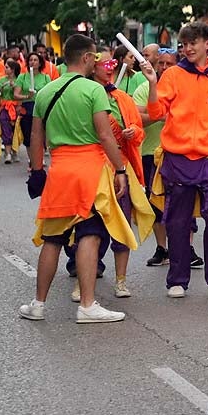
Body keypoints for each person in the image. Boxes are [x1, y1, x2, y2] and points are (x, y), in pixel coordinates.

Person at [18, 34, 133, 324]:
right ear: (85, 58)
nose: (97, 62)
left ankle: (38, 304)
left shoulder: (45, 92)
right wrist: (120, 170)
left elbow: (35, 137)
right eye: (95, 57)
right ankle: (87, 304)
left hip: (59, 169)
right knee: (90, 234)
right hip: (90, 169)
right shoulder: (94, 91)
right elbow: (105, 134)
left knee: (53, 238)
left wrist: (37, 171)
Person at [145, 22, 208, 297]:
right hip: (177, 157)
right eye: (184, 43)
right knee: (177, 220)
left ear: (207, 45)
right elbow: (156, 110)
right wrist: (153, 83)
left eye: (193, 43)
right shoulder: (173, 75)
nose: (188, 48)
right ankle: (177, 278)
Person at [92, 52, 158, 299]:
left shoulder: (122, 98)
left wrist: (133, 132)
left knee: (123, 220)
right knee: (92, 225)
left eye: (112, 64)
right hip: (96, 165)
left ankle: (121, 280)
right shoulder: (87, 95)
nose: (110, 68)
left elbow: (145, 123)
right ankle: (85, 275)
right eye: (105, 64)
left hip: (122, 164)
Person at [135, 48, 177, 267]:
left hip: (177, 151)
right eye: (161, 63)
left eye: (169, 64)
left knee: (181, 203)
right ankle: (162, 248)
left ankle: (184, 248)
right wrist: (160, 113)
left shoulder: (182, 85)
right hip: (150, 153)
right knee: (155, 204)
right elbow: (136, 117)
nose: (164, 68)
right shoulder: (145, 87)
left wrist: (153, 111)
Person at [17, 51, 52, 164]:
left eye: (35, 60)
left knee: (41, 133)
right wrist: (27, 96)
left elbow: (50, 93)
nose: (33, 62)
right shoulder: (22, 77)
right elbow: (16, 94)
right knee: (28, 134)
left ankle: (39, 158)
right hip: (27, 107)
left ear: (40, 63)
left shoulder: (45, 78)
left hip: (41, 107)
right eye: (31, 60)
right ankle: (31, 159)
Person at [0, 58, 23, 164]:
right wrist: (1, 89)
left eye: (7, 67)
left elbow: (21, 93)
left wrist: (14, 88)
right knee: (5, 128)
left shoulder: (19, 80)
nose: (5, 69)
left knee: (15, 129)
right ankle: (7, 153)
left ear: (13, 69)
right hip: (5, 107)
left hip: (16, 106)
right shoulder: (2, 80)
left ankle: (14, 150)